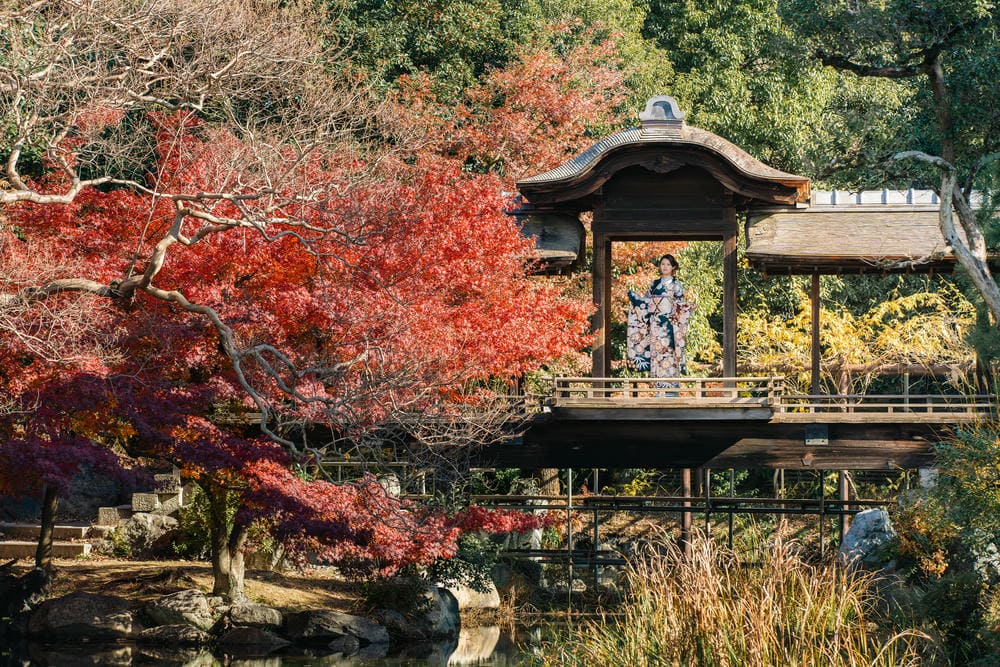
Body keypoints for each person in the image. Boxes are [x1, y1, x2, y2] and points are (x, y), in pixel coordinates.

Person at [627, 254, 695, 380]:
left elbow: (680, 304)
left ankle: (671, 387)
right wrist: (635, 298)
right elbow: (646, 303)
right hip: (655, 324)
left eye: (668, 264)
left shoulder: (676, 284)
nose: (665, 267)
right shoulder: (654, 284)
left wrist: (683, 311)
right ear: (660, 266)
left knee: (669, 352)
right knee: (656, 352)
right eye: (663, 264)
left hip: (669, 324)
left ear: (673, 267)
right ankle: (658, 386)